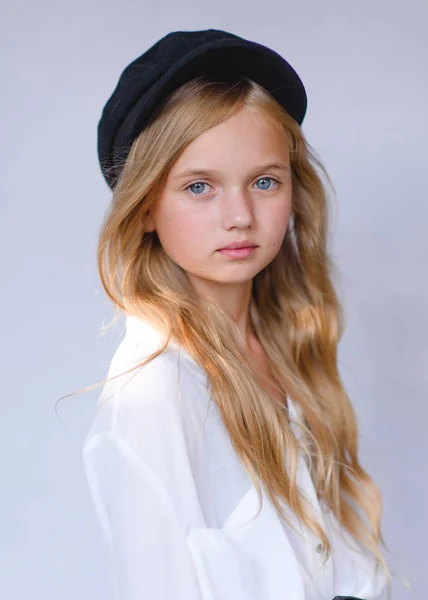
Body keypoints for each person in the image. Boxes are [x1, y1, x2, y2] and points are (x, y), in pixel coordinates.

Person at [82, 29, 391, 600]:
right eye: (200, 186)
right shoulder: (153, 395)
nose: (240, 215)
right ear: (146, 206)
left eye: (265, 181)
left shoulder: (288, 354)